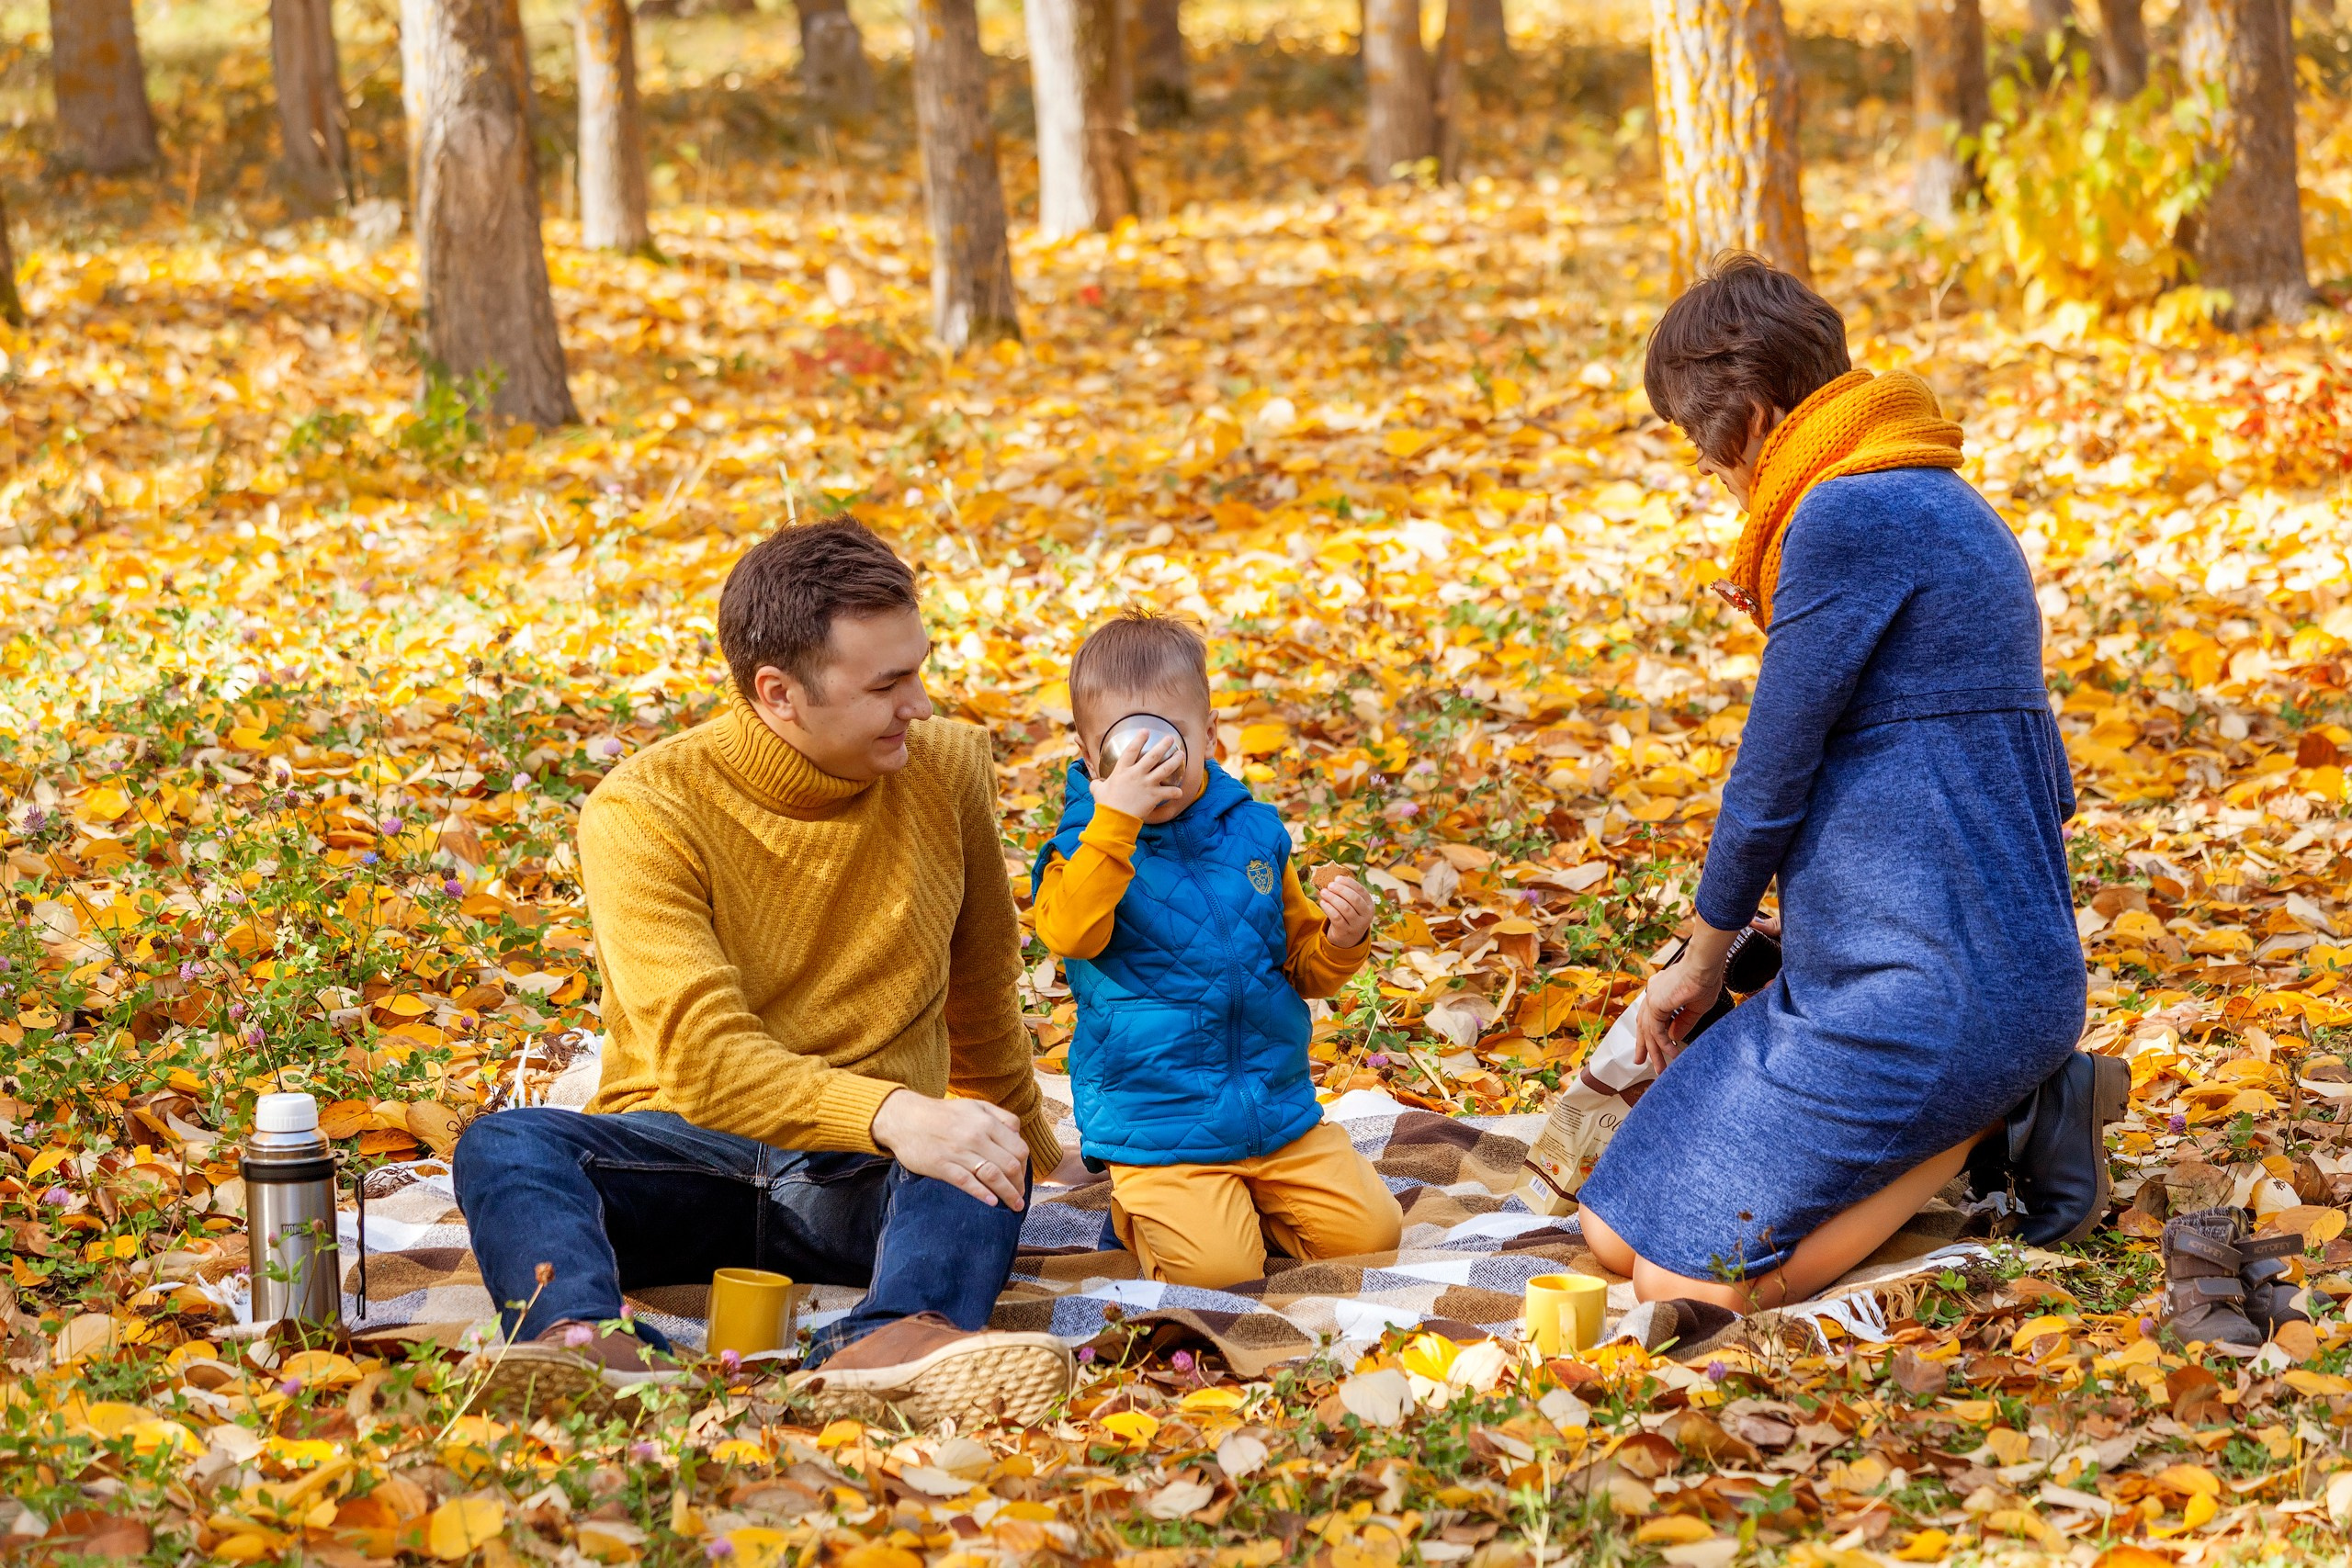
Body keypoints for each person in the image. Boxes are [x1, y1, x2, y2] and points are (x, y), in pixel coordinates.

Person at [1574, 254, 2120, 1313]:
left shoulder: (1843, 517)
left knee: (1684, 1287)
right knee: (1608, 1229)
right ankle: (2002, 1093)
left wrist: (1700, 959)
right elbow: (2023, 784)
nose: (1709, 474)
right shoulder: (1945, 498)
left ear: (1751, 416)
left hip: (1937, 990)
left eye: (1699, 445)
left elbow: (1772, 771)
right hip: (1873, 972)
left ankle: (1999, 1115)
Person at [451, 521, 1074, 1426]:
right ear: (778, 693)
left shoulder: (944, 768)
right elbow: (705, 1061)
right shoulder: (646, 808)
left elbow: (979, 987)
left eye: (918, 670)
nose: (921, 704)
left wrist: (1023, 1149)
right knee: (505, 1144)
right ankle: (588, 1345)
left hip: (858, 1179)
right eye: (887, 685)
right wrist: (896, 1112)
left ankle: (896, 1345)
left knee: (979, 1148)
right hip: (680, 1155)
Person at [1028, 612, 1402, 1287]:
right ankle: (1146, 1211)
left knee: (1373, 1237)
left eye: (1167, 742)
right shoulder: (1082, 848)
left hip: (1274, 1112)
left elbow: (1301, 966)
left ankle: (1246, 1208)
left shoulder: (1255, 834)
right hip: (1160, 1128)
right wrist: (1115, 822)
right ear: (1088, 755)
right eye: (1124, 749)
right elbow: (1070, 933)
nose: (1149, 768)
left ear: (1209, 734)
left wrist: (1341, 940)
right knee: (1217, 1273)